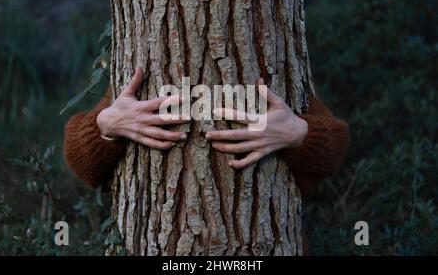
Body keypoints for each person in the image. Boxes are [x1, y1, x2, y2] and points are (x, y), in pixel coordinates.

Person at [64, 67, 349, 198]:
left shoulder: (281, 65)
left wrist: (299, 132)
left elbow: (336, 148)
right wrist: (104, 125)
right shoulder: (136, 79)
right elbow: (81, 163)